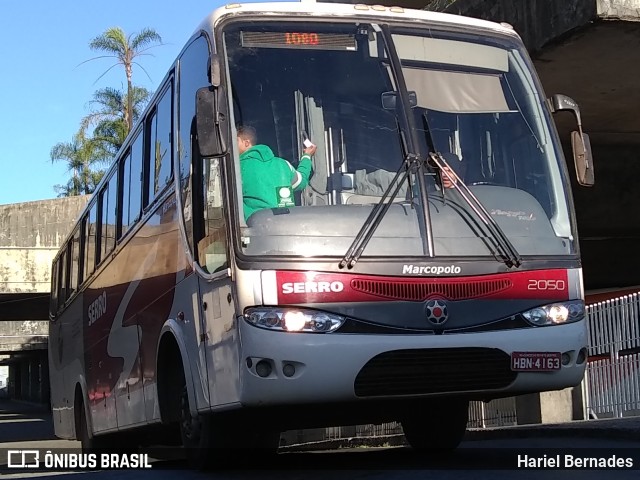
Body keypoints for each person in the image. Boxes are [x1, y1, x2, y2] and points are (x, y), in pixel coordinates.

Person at [237, 125, 317, 221]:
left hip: (253, 232)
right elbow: (302, 181)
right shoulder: (283, 164)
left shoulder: (237, 169)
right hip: (285, 230)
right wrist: (307, 155)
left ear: (246, 143)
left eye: (235, 141)